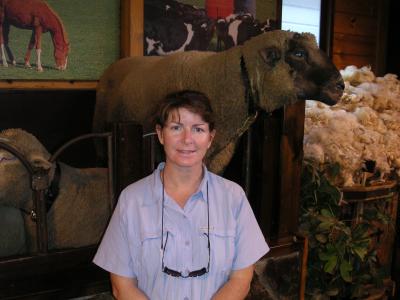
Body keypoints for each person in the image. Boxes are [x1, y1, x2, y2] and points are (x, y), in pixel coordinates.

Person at [93, 90, 269, 300]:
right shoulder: (131, 200)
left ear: (210, 138)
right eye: (176, 128)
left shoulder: (233, 197)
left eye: (198, 129)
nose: (187, 139)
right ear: (160, 134)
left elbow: (241, 279)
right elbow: (122, 286)